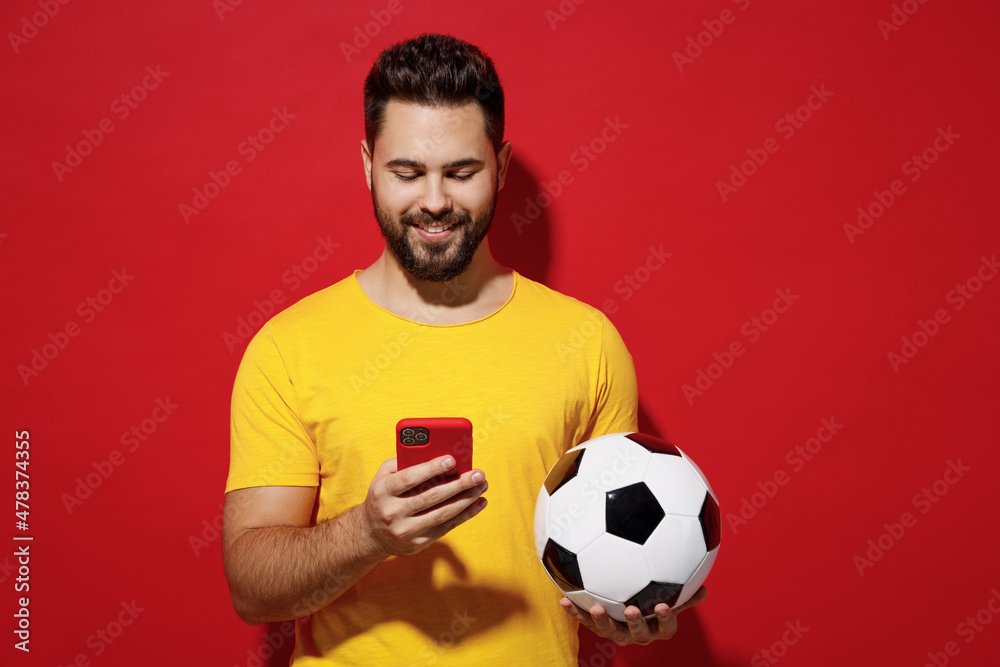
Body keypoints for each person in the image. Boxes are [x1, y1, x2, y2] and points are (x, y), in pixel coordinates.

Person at [222, 32, 705, 666]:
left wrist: (624, 607)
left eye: (461, 171)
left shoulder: (587, 342)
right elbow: (252, 589)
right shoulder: (288, 348)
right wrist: (367, 534)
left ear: (499, 165)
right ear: (367, 163)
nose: (434, 201)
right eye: (406, 171)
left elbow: (610, 545)